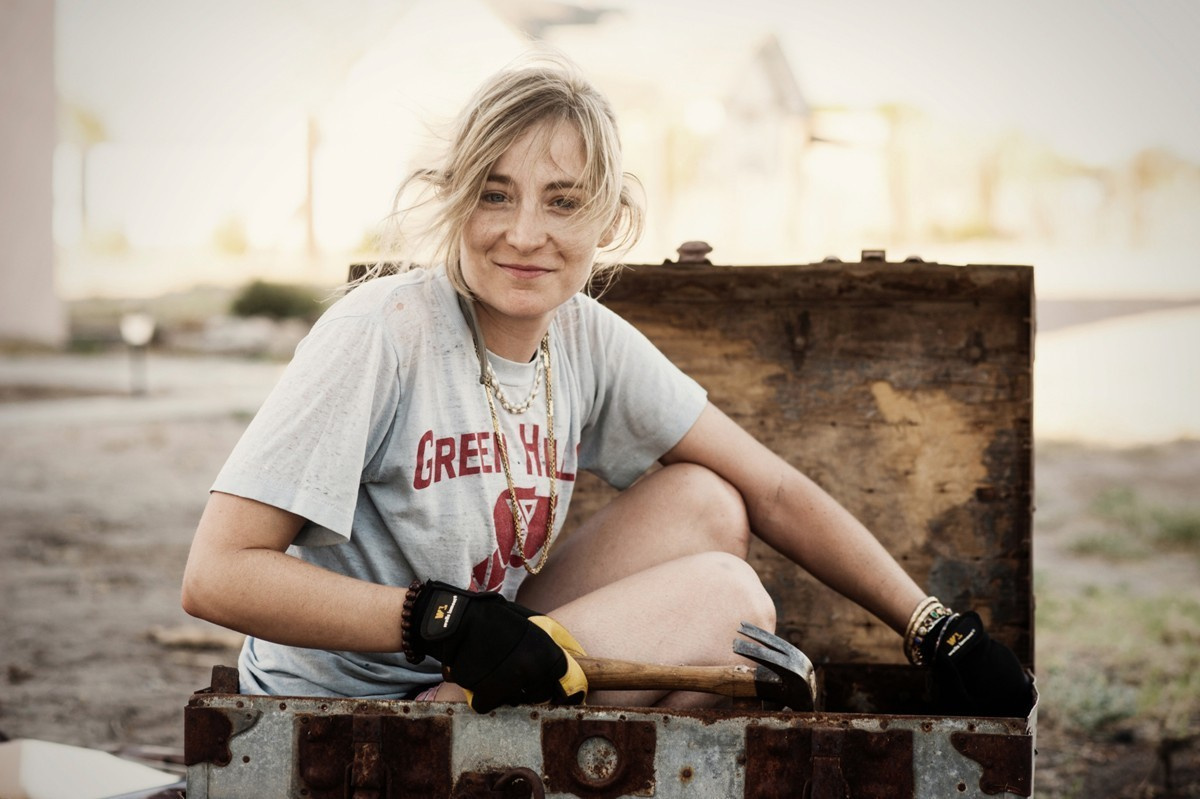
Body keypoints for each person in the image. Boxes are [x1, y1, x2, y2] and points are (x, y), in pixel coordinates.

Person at [182, 55, 1032, 717]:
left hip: (480, 661)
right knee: (731, 601)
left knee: (708, 499)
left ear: (607, 215)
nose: (525, 233)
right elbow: (217, 575)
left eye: (562, 201)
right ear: (453, 199)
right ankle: (464, 719)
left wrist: (933, 629)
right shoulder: (385, 331)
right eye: (495, 193)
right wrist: (435, 620)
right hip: (348, 705)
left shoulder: (581, 334)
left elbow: (769, 483)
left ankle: (507, 720)